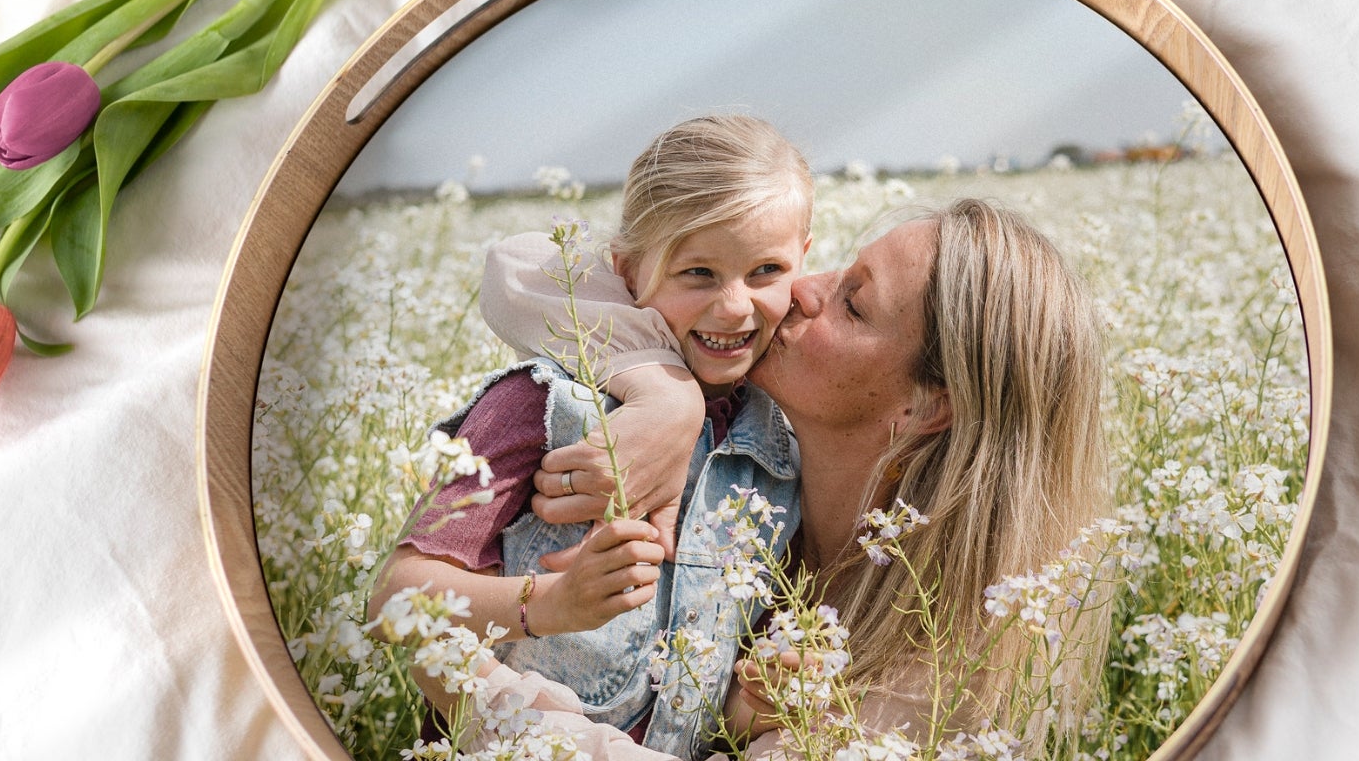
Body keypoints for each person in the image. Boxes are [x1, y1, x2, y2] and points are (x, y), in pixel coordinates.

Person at [481, 198, 1113, 754]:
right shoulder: (743, 452)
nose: (803, 289)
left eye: (854, 304)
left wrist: (472, 685)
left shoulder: (937, 676)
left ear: (924, 405)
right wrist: (668, 396)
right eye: (838, 267)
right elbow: (522, 262)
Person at [373, 114, 817, 756]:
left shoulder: (780, 448)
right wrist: (550, 602)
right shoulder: (541, 403)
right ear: (628, 270)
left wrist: (748, 705)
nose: (734, 306)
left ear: (805, 256)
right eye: (698, 273)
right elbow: (393, 598)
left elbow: (692, 700)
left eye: (766, 270)